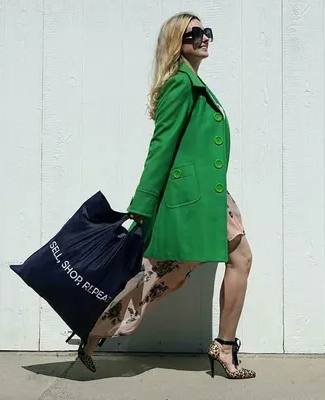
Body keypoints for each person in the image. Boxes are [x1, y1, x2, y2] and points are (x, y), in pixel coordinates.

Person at [77, 12, 256, 380]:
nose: (204, 38)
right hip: (191, 199)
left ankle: (223, 346)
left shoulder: (193, 83)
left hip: (208, 197)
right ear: (177, 42)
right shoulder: (180, 85)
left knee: (223, 261)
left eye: (206, 31)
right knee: (156, 276)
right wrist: (143, 204)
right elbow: (161, 147)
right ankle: (92, 332)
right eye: (194, 33)